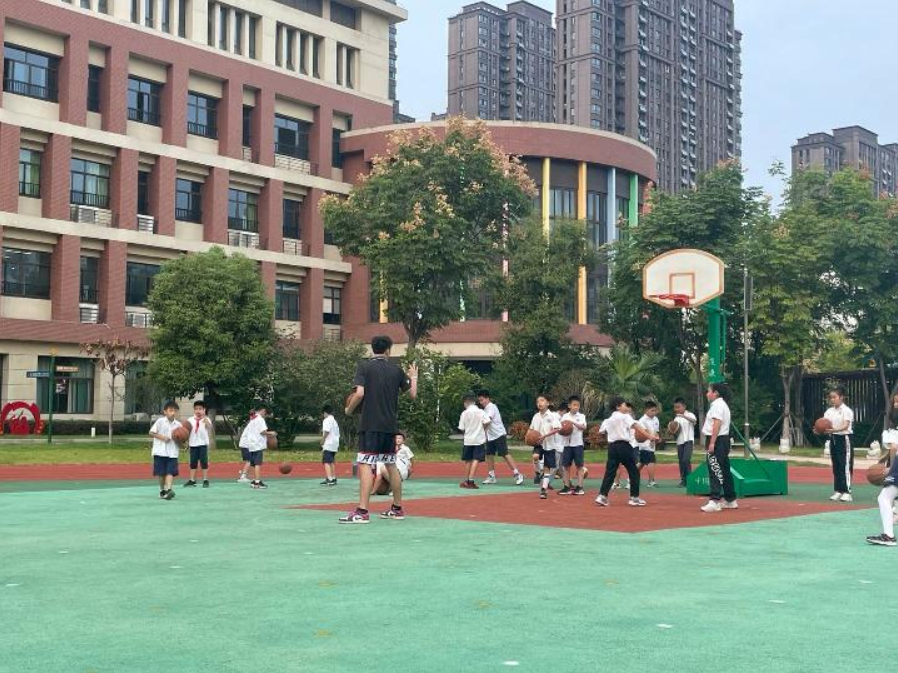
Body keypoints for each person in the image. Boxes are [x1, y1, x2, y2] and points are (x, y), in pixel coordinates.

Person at [340, 335, 418, 524]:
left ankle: (362, 511)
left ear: (372, 349)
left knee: (365, 464)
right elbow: (413, 395)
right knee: (391, 465)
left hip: (370, 425)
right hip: (390, 427)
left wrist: (349, 410)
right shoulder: (396, 370)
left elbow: (359, 393)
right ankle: (397, 508)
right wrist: (414, 376)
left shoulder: (364, 367)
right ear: (388, 350)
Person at [596, 397, 655, 507]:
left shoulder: (608, 420)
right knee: (634, 471)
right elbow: (636, 426)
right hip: (623, 446)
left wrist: (612, 435)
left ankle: (602, 496)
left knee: (610, 472)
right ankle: (634, 498)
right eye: (624, 405)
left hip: (612, 447)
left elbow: (601, 432)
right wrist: (649, 436)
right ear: (618, 407)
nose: (626, 407)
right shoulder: (625, 416)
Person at [699, 383, 738, 512]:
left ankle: (714, 501)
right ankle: (730, 499)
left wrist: (712, 442)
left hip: (717, 439)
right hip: (723, 440)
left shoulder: (717, 405)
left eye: (709, 391)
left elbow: (717, 423)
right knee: (724, 470)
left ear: (715, 393)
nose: (707, 393)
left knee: (714, 468)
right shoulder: (723, 405)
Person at [478, 389, 524, 486]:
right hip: (491, 436)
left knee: (504, 454)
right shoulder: (485, 409)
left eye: (482, 400)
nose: (481, 402)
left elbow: (488, 421)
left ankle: (517, 474)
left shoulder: (491, 406)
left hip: (499, 434)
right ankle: (491, 476)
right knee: (489, 455)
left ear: (487, 398)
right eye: (480, 400)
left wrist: (479, 430)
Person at [867, 429, 898, 546]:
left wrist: (891, 468)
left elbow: (894, 447)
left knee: (884, 497)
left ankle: (888, 536)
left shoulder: (892, 427)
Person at [823, 386, 855, 503]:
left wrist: (833, 430)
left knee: (845, 465)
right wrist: (819, 429)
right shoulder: (829, 411)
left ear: (841, 397)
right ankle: (838, 490)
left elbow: (845, 426)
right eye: (830, 397)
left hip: (844, 439)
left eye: (834, 397)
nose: (832, 399)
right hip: (833, 439)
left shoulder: (847, 410)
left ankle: (847, 492)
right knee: (836, 466)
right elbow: (824, 424)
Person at [149, 401, 183, 500]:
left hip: (172, 452)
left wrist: (182, 443)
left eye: (175, 411)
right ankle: (162, 490)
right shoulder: (160, 421)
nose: (173, 413)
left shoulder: (179, 425)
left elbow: (181, 439)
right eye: (170, 410)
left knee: (170, 472)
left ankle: (169, 490)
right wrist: (162, 437)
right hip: (160, 451)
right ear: (165, 412)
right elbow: (151, 432)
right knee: (161, 474)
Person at [530, 395, 562, 499]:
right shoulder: (536, 416)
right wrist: (528, 436)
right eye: (537, 401)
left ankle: (543, 490)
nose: (539, 403)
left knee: (547, 468)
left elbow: (557, 429)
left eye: (542, 400)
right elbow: (531, 429)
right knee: (535, 456)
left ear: (548, 403)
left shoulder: (552, 416)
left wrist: (545, 435)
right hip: (538, 443)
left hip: (549, 444)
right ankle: (538, 472)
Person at [238, 404, 276, 490]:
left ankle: (254, 481)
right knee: (258, 464)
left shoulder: (253, 419)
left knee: (254, 464)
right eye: (265, 413)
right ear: (263, 410)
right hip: (257, 444)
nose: (265, 414)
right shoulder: (260, 419)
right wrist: (271, 433)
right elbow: (262, 431)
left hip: (251, 444)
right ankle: (257, 482)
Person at [458, 394, 490, 489]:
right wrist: (482, 428)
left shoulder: (464, 413)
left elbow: (461, 428)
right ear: (474, 402)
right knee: (476, 458)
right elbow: (487, 421)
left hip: (468, 440)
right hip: (479, 439)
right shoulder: (481, 412)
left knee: (468, 460)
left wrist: (466, 433)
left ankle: (466, 480)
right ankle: (471, 480)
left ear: (466, 402)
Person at [560, 395, 588, 495]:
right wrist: (563, 429)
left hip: (578, 444)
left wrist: (573, 423)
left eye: (578, 405)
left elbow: (583, 427)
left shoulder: (581, 416)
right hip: (567, 444)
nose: (576, 407)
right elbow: (561, 428)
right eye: (574, 405)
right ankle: (566, 487)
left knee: (579, 466)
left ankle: (580, 487)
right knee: (566, 466)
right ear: (569, 406)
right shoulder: (565, 416)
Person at [183, 400, 213, 488]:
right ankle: (192, 480)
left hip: (203, 444)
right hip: (193, 444)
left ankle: (205, 480)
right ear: (194, 410)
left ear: (204, 410)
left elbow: (209, 427)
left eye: (200, 409)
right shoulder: (190, 420)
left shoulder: (206, 419)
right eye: (196, 409)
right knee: (193, 463)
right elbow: (186, 432)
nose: (198, 411)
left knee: (204, 462)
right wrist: (186, 442)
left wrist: (204, 417)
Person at [671, 398, 697, 487]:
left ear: (684, 406)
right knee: (681, 462)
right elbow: (675, 431)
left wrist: (684, 416)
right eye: (675, 407)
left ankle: (689, 479)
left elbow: (694, 421)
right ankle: (683, 480)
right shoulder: (676, 418)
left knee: (686, 460)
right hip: (679, 442)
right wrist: (671, 431)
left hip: (688, 441)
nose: (676, 409)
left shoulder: (690, 414)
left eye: (678, 407)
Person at [636, 401, 661, 488]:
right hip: (644, 445)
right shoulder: (642, 420)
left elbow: (656, 431)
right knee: (651, 461)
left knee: (642, 462)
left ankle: (632, 477)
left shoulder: (656, 419)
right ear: (646, 410)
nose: (654, 412)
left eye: (655, 410)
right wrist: (650, 439)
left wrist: (657, 438)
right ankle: (651, 481)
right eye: (652, 410)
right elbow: (643, 433)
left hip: (652, 444)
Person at [320, 404, 340, 486]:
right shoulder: (334, 421)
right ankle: (333, 478)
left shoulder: (327, 420)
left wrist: (322, 440)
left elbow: (327, 431)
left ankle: (330, 479)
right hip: (335, 443)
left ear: (325, 412)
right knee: (331, 461)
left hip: (329, 443)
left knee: (326, 462)